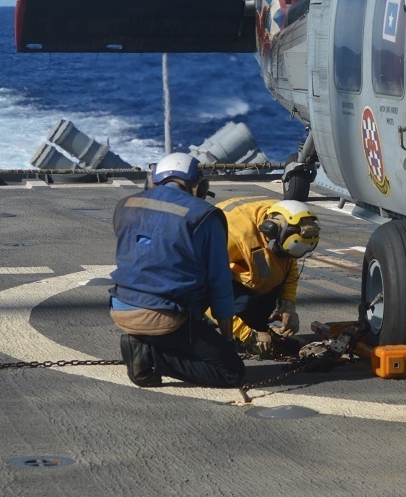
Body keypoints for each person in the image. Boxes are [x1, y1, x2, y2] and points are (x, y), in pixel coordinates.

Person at [109, 152, 245, 388]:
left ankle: (146, 343)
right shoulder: (205, 215)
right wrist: (227, 340)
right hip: (164, 315)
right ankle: (149, 356)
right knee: (231, 371)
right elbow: (219, 282)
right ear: (199, 184)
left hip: (120, 306)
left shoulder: (125, 205)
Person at [215, 198, 320, 357]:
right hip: (208, 278)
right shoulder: (232, 236)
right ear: (269, 230)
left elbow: (289, 264)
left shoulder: (287, 218)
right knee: (241, 303)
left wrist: (288, 304)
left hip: (247, 266)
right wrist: (246, 334)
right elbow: (202, 289)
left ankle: (256, 329)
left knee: (271, 278)